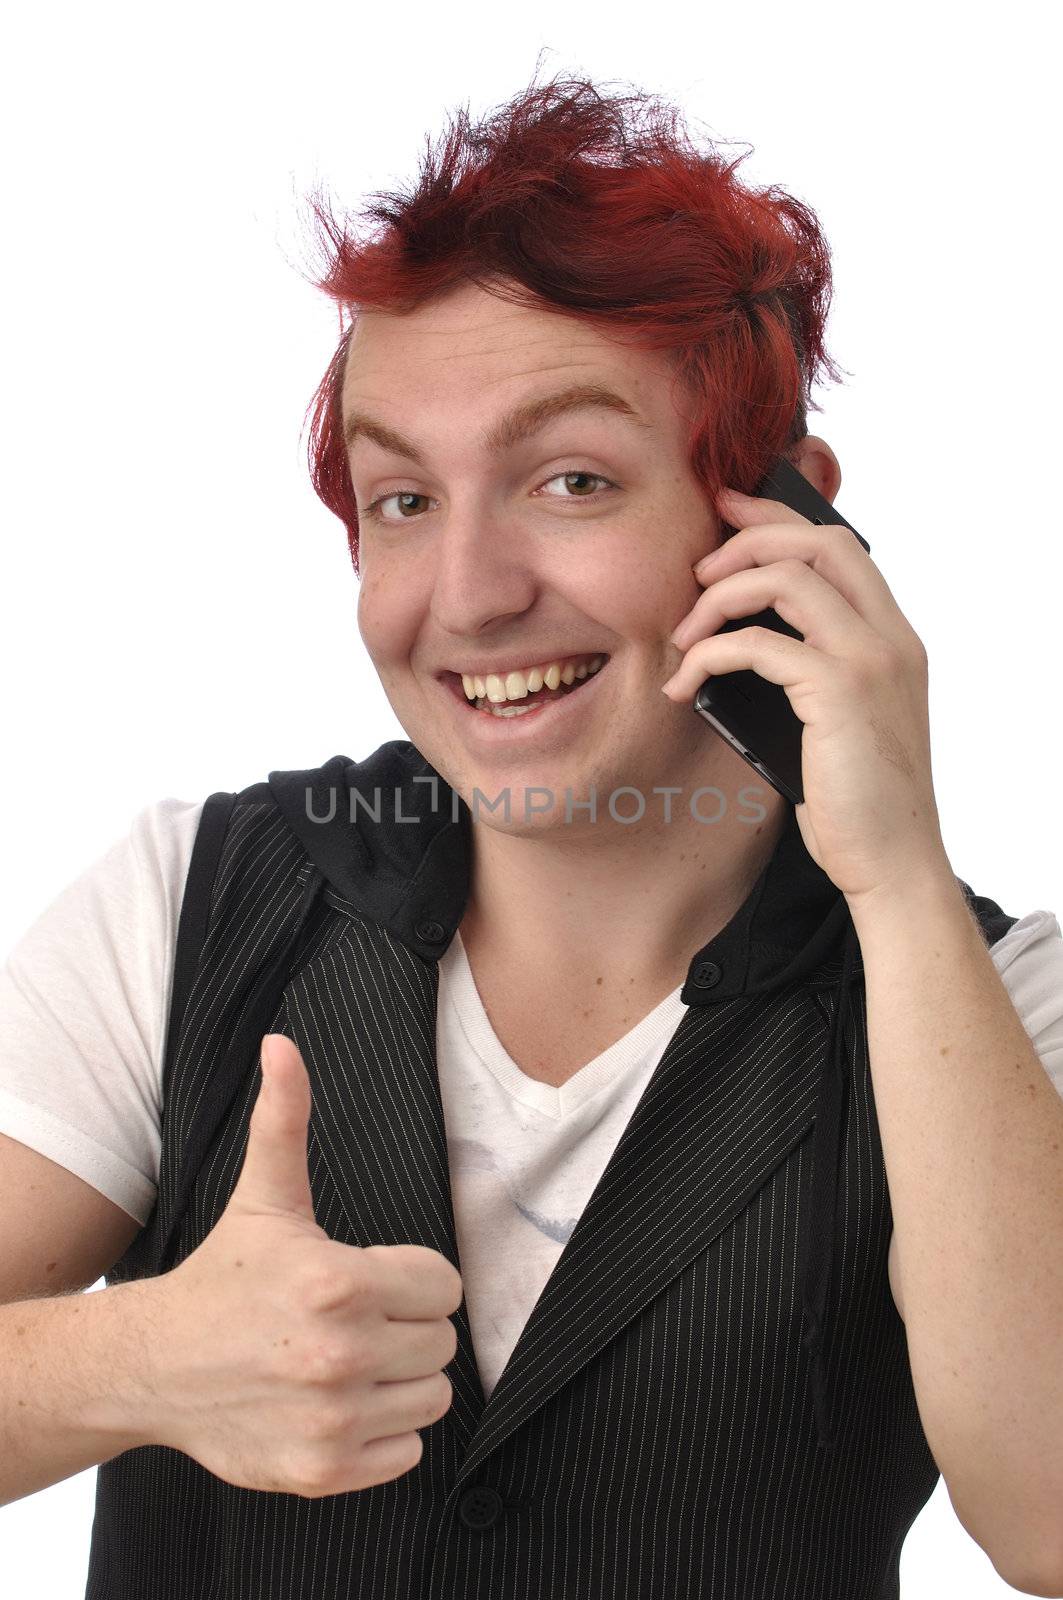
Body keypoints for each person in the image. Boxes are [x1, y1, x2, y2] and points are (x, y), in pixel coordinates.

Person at [2, 68, 1063, 1600]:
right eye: (404, 502)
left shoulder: (988, 1002)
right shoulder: (189, 905)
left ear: (783, 524)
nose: (470, 595)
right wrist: (139, 1358)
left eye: (570, 480)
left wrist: (893, 875)